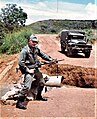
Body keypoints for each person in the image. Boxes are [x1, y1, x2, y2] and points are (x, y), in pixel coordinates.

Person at [16, 34, 54, 109]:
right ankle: (19, 102)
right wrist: (28, 70)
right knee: (27, 87)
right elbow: (21, 63)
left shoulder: (36, 49)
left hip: (35, 68)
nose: (34, 43)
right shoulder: (25, 51)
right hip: (28, 70)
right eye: (33, 42)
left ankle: (39, 96)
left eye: (36, 42)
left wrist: (51, 60)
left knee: (42, 82)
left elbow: (43, 55)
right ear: (29, 41)